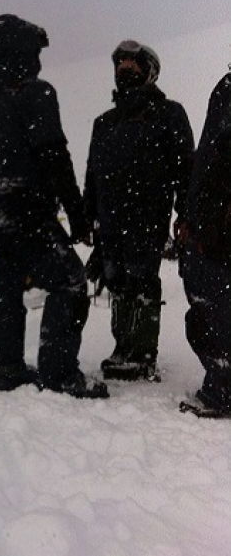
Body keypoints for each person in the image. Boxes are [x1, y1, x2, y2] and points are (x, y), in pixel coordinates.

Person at [0, 14, 106, 398]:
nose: (39, 60)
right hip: (28, 211)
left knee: (6, 286)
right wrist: (78, 214)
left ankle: (7, 367)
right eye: (35, 50)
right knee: (69, 282)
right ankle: (58, 373)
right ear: (21, 52)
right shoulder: (36, 93)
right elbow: (54, 157)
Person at [83, 40, 194, 382]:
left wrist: (186, 214)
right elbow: (92, 174)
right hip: (110, 219)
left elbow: (186, 170)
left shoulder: (168, 114)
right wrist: (87, 217)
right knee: (116, 280)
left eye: (133, 63)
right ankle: (122, 348)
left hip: (148, 215)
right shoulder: (104, 123)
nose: (125, 69)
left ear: (149, 71)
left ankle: (143, 354)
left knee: (142, 279)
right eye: (120, 63)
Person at [179, 70, 231, 413]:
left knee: (214, 308)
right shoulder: (225, 89)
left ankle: (222, 391)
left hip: (218, 227)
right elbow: (207, 155)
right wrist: (189, 213)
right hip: (209, 225)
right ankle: (220, 385)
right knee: (206, 308)